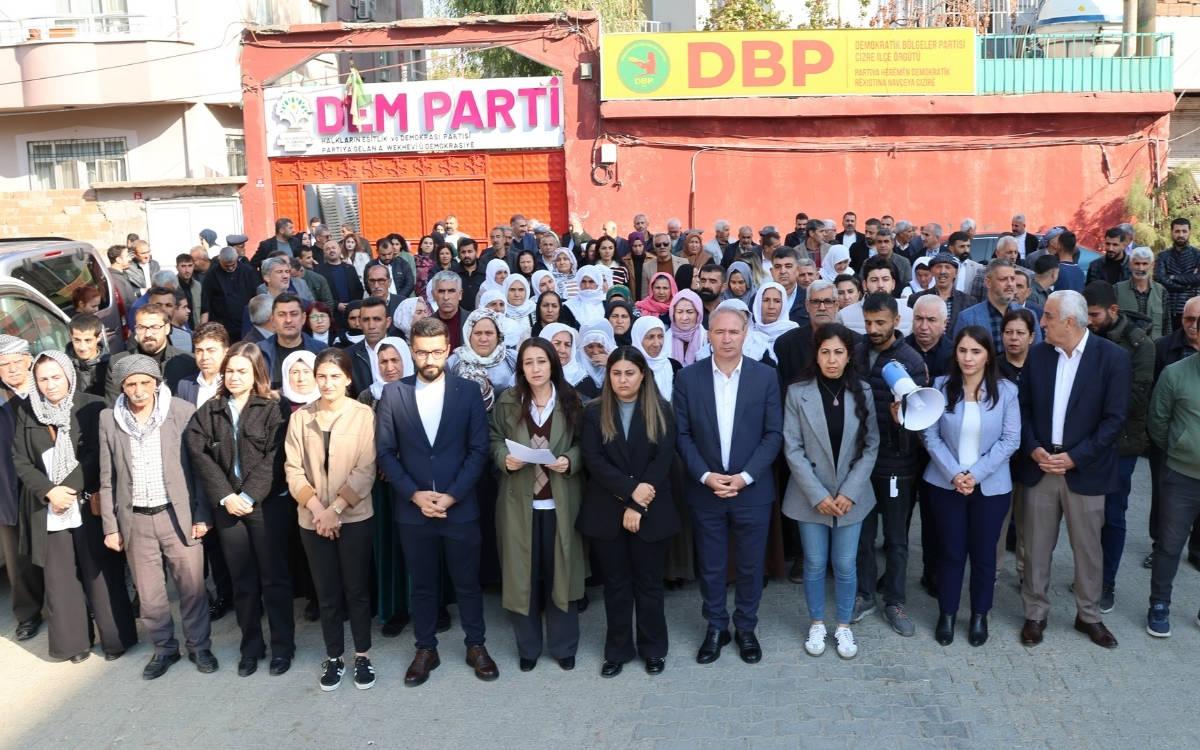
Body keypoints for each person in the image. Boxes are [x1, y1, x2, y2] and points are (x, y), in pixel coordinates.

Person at [375, 316, 499, 686]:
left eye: (436, 351)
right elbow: (385, 453)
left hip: (459, 507)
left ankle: (476, 644)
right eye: (421, 352)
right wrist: (414, 494)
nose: (429, 358)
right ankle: (425, 648)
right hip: (413, 512)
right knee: (423, 585)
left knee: (467, 583)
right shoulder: (393, 394)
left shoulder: (468, 392)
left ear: (447, 350)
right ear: (412, 352)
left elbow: (478, 450)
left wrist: (451, 495)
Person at [1017, 290, 1130, 649]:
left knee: (1088, 549)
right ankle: (1035, 614)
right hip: (1041, 467)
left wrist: (1076, 457)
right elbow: (1021, 409)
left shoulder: (1112, 358)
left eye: (1048, 316)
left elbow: (1114, 420)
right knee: (1035, 546)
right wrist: (1034, 448)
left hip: (1085, 469)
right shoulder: (1037, 357)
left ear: (1069, 321)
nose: (1042, 322)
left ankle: (1089, 616)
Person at [12, 350, 138, 663]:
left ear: (68, 374)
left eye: (56, 377)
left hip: (85, 502)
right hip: (50, 509)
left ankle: (115, 640)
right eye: (43, 379)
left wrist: (68, 487)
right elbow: (21, 460)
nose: (50, 385)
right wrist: (50, 492)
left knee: (100, 572)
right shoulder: (27, 410)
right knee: (61, 578)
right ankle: (75, 644)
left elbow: (100, 454)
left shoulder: (91, 405)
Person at [674, 305, 783, 665]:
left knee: (751, 565)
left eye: (733, 332)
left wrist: (744, 476)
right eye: (719, 332)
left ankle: (746, 627)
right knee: (711, 564)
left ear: (745, 334)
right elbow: (683, 435)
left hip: (751, 489)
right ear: (708, 335)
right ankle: (716, 627)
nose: (726, 338)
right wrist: (706, 476)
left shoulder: (765, 377)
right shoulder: (688, 379)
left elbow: (773, 435)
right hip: (706, 490)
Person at [97, 355, 215, 679]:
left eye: (144, 382)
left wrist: (202, 515)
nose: (138, 390)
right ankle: (164, 649)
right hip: (135, 519)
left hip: (177, 514)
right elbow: (107, 479)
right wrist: (111, 526)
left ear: (156, 383)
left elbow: (200, 469)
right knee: (149, 596)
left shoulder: (180, 411)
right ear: (122, 386)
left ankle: (200, 646)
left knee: (192, 587)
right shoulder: (109, 419)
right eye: (131, 384)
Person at [185, 342, 294, 678]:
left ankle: (282, 648)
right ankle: (251, 647)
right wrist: (225, 496)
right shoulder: (209, 410)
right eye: (229, 370)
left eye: (241, 371)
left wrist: (249, 495)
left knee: (274, 579)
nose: (234, 376)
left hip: (264, 506)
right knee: (242, 581)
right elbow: (198, 453)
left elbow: (275, 457)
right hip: (227, 508)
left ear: (256, 373)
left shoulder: (273, 408)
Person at [577, 347, 679, 676]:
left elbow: (662, 460)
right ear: (608, 376)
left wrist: (638, 503)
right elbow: (594, 460)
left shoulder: (662, 410)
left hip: (650, 508)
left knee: (649, 584)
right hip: (608, 510)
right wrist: (629, 493)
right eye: (616, 373)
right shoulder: (594, 413)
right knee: (616, 585)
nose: (623, 379)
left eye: (629, 373)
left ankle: (653, 649)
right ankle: (618, 650)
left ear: (643, 375)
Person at [282, 348, 378, 690]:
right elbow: (292, 470)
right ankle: (334, 656)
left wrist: (335, 509)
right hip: (312, 520)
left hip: (354, 518)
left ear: (348, 379)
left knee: (356, 590)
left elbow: (366, 470)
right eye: (321, 375)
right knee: (327, 592)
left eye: (335, 376)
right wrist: (318, 510)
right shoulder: (300, 418)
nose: (327, 382)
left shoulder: (363, 415)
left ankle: (362, 655)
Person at [489, 338, 586, 672]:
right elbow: (492, 438)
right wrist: (504, 458)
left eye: (541, 361)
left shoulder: (571, 399)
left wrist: (570, 460)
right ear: (521, 368)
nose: (535, 369)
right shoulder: (508, 401)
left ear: (552, 364)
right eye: (528, 363)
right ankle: (528, 648)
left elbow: (584, 444)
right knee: (522, 576)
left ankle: (563, 647)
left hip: (559, 503)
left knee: (562, 574)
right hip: (520, 502)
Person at [782, 323, 878, 660]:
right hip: (811, 496)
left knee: (846, 563)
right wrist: (818, 495)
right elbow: (792, 448)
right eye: (825, 352)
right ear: (816, 354)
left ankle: (844, 626)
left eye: (838, 352)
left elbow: (870, 447)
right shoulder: (798, 393)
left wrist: (849, 491)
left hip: (851, 496)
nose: (832, 359)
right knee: (814, 562)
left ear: (849, 354)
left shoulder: (862, 391)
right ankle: (817, 622)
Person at [921, 327, 1020, 647]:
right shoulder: (939, 386)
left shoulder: (1006, 392)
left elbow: (1010, 440)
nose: (967, 357)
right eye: (962, 350)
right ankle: (947, 613)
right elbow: (930, 435)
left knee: (983, 555)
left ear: (988, 355)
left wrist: (974, 474)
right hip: (944, 485)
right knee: (949, 552)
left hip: (990, 488)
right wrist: (954, 474)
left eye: (975, 351)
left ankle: (980, 614)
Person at [852, 293, 929, 636]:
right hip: (860, 463)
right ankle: (865, 593)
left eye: (880, 322)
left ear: (897, 321)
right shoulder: (855, 352)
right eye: (868, 322)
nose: (873, 329)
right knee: (863, 535)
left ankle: (895, 601)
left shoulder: (911, 362)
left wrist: (902, 423)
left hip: (896, 463)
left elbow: (924, 421)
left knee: (896, 539)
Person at [1083, 281, 1155, 614]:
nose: (1088, 321)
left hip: (1122, 445)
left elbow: (1136, 398)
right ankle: (1088, 576)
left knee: (1112, 516)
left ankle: (1106, 581)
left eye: (1094, 315)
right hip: (1086, 440)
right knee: (1085, 516)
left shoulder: (1141, 345)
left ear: (1113, 311)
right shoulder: (1087, 335)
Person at [1146, 334, 1200, 636]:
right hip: (1181, 476)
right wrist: (1183, 449)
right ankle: (1159, 603)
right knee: (1169, 544)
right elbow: (1158, 421)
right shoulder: (1175, 373)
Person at [0, 336, 45, 642]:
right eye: (5, 364)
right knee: (18, 559)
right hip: (8, 489)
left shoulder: (46, 389)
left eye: (18, 361)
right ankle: (28, 614)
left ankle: (65, 608)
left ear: (30, 361)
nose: (13, 368)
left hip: (46, 487)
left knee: (56, 551)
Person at [106, 304, 199, 402]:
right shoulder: (118, 363)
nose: (148, 334)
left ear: (167, 328)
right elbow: (113, 405)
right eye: (141, 328)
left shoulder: (189, 362)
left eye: (154, 327)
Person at [953, 259, 1042, 353]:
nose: (1010, 284)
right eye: (1003, 279)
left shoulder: (1029, 315)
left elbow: (1036, 355)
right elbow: (959, 355)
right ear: (988, 283)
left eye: (1012, 279)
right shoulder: (967, 318)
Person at [448, 309, 518, 411]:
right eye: (478, 333)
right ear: (468, 335)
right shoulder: (455, 361)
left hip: (504, 423)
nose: (483, 339)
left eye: (489, 333)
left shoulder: (511, 359)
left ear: (498, 335)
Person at [256, 293, 327, 389]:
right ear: (272, 320)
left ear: (303, 318)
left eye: (294, 314)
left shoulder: (322, 351)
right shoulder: (259, 353)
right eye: (282, 315)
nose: (288, 320)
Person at [745, 281, 799, 367]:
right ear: (758, 303)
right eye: (766, 300)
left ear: (784, 304)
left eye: (777, 301)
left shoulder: (794, 333)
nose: (771, 306)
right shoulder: (750, 334)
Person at [65, 312, 110, 397]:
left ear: (99, 337)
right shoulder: (63, 367)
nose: (82, 347)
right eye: (77, 340)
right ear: (71, 337)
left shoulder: (111, 366)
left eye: (88, 340)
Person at [665, 290, 706, 367]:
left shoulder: (707, 339)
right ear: (673, 314)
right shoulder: (663, 339)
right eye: (679, 312)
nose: (684, 318)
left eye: (690, 312)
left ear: (698, 314)